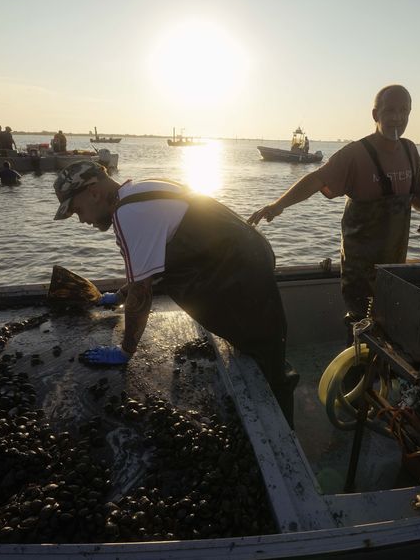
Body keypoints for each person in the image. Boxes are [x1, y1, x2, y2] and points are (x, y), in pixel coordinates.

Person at [52, 161, 298, 427]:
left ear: (93, 191)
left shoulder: (128, 214)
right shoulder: (139, 190)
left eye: (77, 210)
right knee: (259, 343)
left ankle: (283, 432)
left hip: (242, 271)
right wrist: (120, 296)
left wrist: (125, 351)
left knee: (269, 358)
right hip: (250, 252)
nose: (82, 220)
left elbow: (142, 288)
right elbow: (149, 266)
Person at [248, 84, 420, 322]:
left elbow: (418, 194)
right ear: (375, 115)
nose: (397, 118)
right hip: (360, 267)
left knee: (388, 321)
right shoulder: (355, 154)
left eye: (404, 111)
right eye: (389, 110)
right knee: (360, 322)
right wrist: (278, 205)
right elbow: (315, 179)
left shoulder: (410, 150)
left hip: (393, 266)